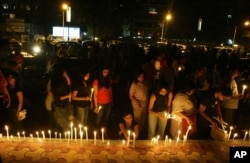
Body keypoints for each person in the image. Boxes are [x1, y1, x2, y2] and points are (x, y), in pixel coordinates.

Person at [50, 64, 73, 132]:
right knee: (63, 123)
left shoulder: (63, 80)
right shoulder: (55, 82)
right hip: (58, 106)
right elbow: (56, 98)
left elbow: (69, 85)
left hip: (65, 104)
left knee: (68, 122)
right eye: (64, 72)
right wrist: (68, 96)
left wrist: (66, 76)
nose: (65, 73)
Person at [92, 65, 113, 132]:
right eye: (104, 72)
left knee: (106, 119)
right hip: (100, 103)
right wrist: (96, 106)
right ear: (101, 72)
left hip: (108, 102)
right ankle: (96, 132)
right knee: (98, 119)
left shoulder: (108, 79)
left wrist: (112, 100)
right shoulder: (96, 81)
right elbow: (95, 95)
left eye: (107, 72)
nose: (106, 73)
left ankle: (104, 132)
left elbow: (110, 90)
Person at [129, 68, 148, 133]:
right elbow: (131, 95)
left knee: (143, 119)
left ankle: (139, 133)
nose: (141, 78)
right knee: (137, 120)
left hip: (144, 104)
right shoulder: (134, 84)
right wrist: (137, 102)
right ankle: (136, 133)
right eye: (139, 77)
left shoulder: (144, 83)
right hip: (137, 105)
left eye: (142, 76)